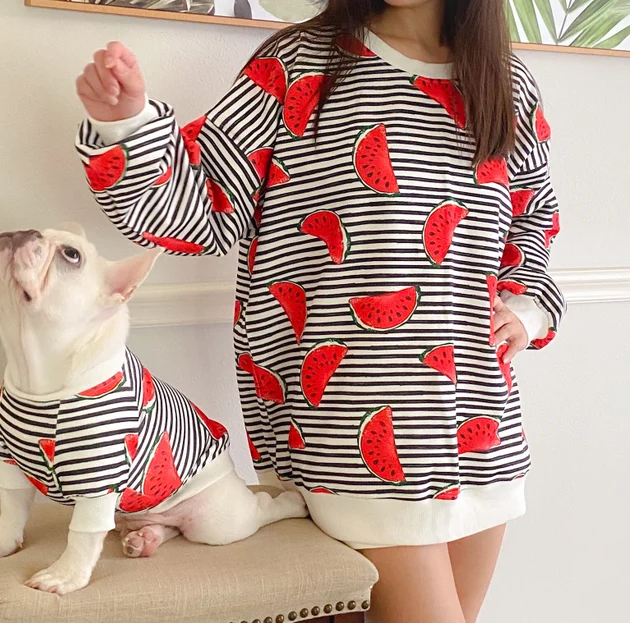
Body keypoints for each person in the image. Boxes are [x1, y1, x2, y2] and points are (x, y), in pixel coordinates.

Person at [72, 1, 565, 620]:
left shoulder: (506, 83)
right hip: (350, 435)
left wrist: (528, 309)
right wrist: (125, 125)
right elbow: (200, 202)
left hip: (482, 427)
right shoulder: (299, 64)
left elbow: (531, 222)